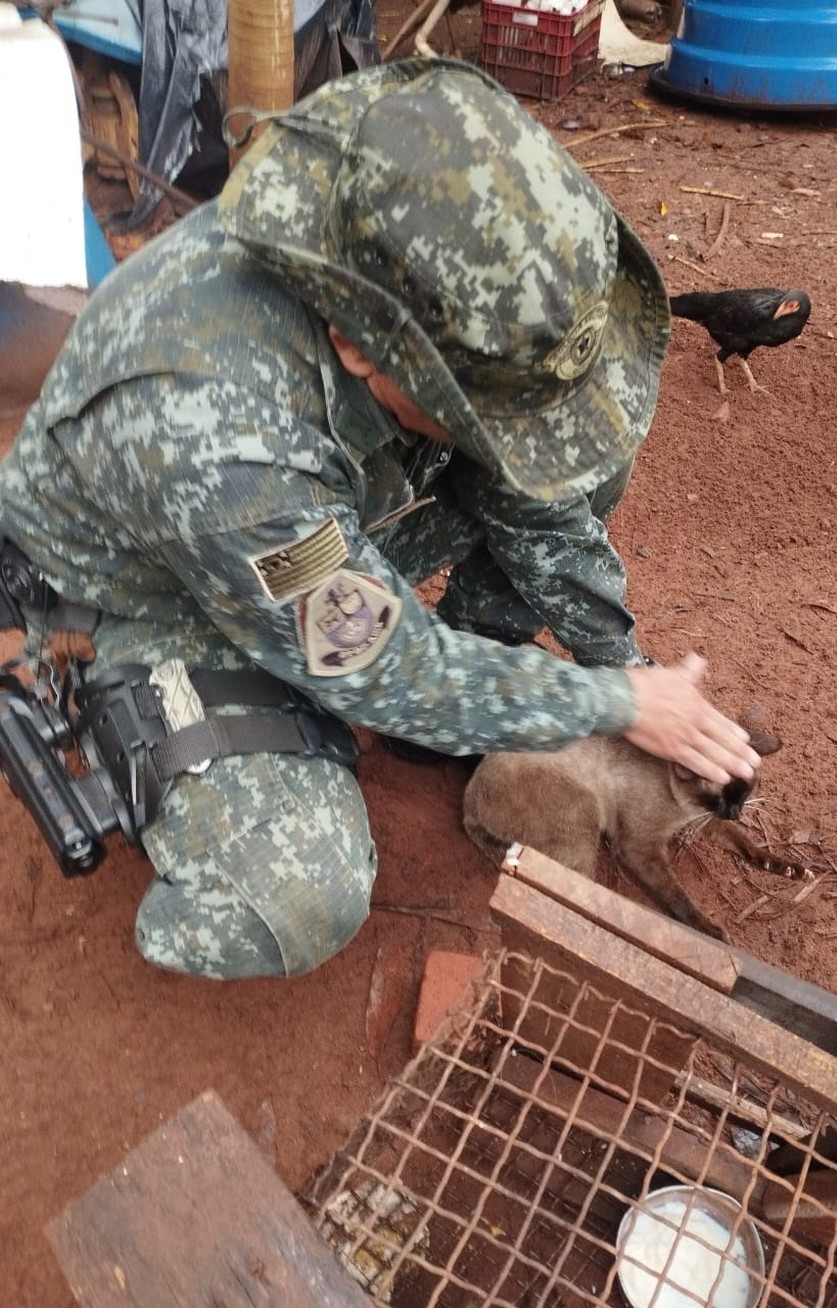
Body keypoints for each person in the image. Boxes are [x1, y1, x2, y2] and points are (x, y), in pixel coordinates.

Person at [0, 57, 759, 980]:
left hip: (303, 520)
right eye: (472, 404)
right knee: (296, 896)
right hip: (153, 600)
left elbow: (541, 501)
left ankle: (471, 703)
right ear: (361, 344)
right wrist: (620, 704)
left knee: (566, 460)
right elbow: (384, 665)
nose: (503, 434)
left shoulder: (391, 238)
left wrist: (623, 665)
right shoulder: (217, 428)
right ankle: (154, 757)